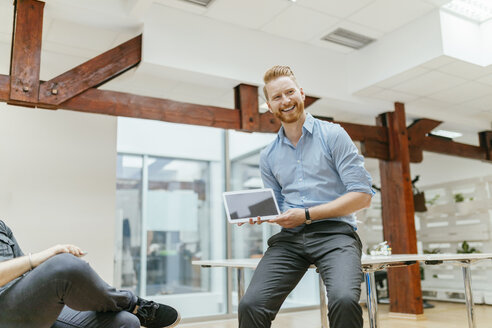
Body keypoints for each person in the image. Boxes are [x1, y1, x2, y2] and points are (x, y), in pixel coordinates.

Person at [237, 65, 374, 328]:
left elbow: (362, 196)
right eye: (277, 97)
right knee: (251, 305)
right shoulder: (268, 155)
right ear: (270, 105)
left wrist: (308, 214)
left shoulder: (333, 135)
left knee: (344, 300)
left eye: (289, 92)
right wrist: (261, 214)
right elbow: (277, 205)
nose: (285, 101)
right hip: (290, 241)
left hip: (336, 234)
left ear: (301, 94)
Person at [0, 219, 180, 328]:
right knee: (65, 264)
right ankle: (135, 305)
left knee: (125, 322)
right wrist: (42, 259)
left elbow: (22, 271)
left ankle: (132, 310)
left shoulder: (1, 226)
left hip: (21, 305)